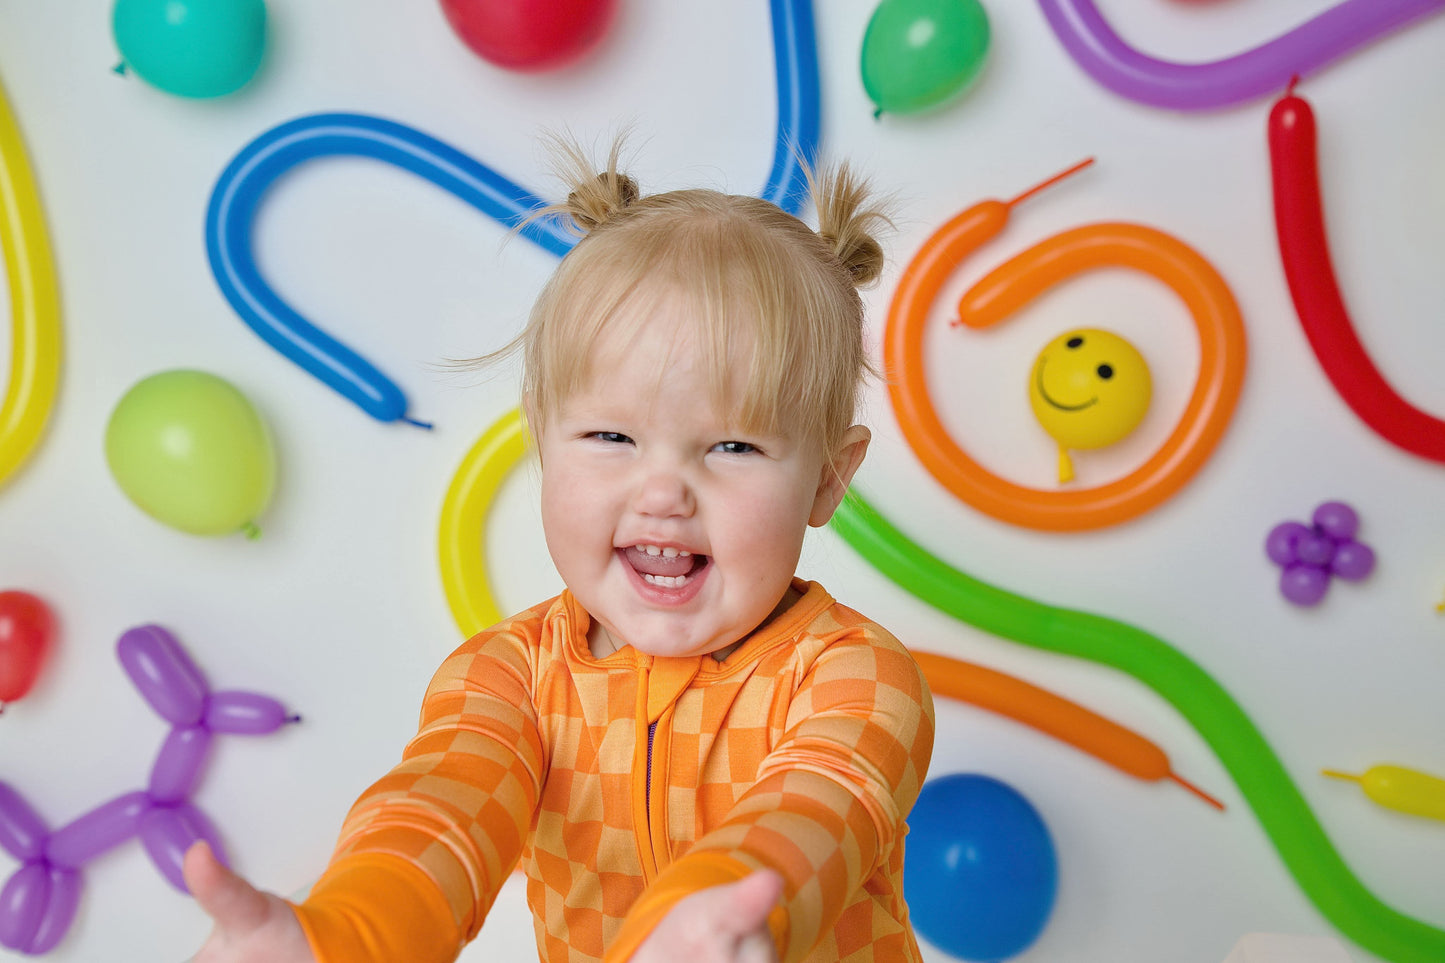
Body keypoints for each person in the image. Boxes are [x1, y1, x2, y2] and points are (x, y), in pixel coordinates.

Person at [183, 140, 936, 963]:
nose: (664, 492)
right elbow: (441, 807)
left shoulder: (855, 675)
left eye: (732, 446)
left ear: (828, 480)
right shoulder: (508, 676)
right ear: (544, 440)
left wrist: (720, 912)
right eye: (613, 435)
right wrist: (349, 934)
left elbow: (820, 807)